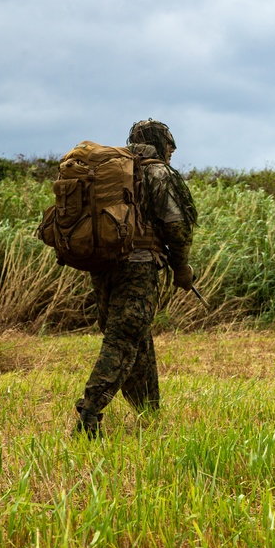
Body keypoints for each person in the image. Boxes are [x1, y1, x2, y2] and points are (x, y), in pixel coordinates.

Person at [74, 119, 198, 437]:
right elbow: (177, 226)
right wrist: (182, 269)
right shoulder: (157, 172)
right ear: (158, 142)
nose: (174, 148)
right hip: (138, 267)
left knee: (137, 337)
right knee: (124, 339)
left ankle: (149, 412)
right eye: (169, 142)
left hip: (103, 266)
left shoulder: (113, 171)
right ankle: (89, 413)